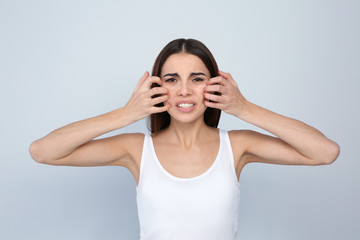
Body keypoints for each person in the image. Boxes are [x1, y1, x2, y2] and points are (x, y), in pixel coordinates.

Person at [29, 38, 340, 240]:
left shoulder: (237, 147)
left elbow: (325, 152)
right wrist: (127, 113)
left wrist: (244, 108)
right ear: (156, 87)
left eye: (197, 79)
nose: (184, 91)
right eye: (171, 79)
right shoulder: (137, 150)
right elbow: (42, 151)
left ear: (214, 85)